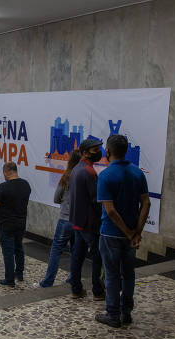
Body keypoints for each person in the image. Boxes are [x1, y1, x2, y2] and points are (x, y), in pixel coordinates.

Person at [95, 134, 150, 328]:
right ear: (126, 151)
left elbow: (109, 210)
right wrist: (136, 232)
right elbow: (146, 203)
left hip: (110, 234)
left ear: (107, 151)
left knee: (111, 275)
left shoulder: (105, 175)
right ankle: (126, 313)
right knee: (128, 274)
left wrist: (128, 233)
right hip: (131, 235)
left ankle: (112, 314)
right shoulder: (138, 173)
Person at [35, 150, 80, 289]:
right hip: (79, 221)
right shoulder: (86, 176)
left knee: (56, 250)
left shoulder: (66, 177)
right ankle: (73, 278)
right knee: (76, 250)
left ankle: (48, 282)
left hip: (65, 219)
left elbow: (56, 198)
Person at [69, 140, 105, 300]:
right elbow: (96, 199)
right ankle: (97, 291)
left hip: (77, 221)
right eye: (95, 150)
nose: (98, 152)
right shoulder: (89, 171)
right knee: (97, 257)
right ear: (85, 153)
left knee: (77, 256)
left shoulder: (76, 169)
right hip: (90, 223)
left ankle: (76, 289)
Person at [0, 162, 31, 286]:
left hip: (6, 224)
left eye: (4, 172)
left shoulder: (3, 187)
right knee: (19, 248)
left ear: (7, 171)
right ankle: (19, 274)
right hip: (21, 222)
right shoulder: (26, 185)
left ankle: (9, 280)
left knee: (8, 252)